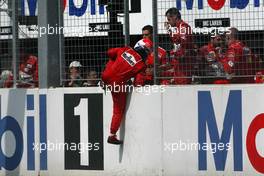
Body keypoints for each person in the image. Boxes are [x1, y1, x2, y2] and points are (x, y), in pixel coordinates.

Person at [101, 38, 153, 145]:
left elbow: (109, 52)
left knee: (113, 59)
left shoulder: (126, 49)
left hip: (105, 75)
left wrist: (114, 63)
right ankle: (112, 135)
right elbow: (138, 83)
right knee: (118, 111)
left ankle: (102, 81)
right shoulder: (141, 65)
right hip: (117, 85)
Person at [165, 7, 194, 83]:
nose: (169, 22)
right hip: (180, 65)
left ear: (175, 17)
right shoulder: (179, 28)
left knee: (183, 85)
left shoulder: (184, 26)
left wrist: (170, 32)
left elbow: (183, 41)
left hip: (185, 65)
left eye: (169, 20)